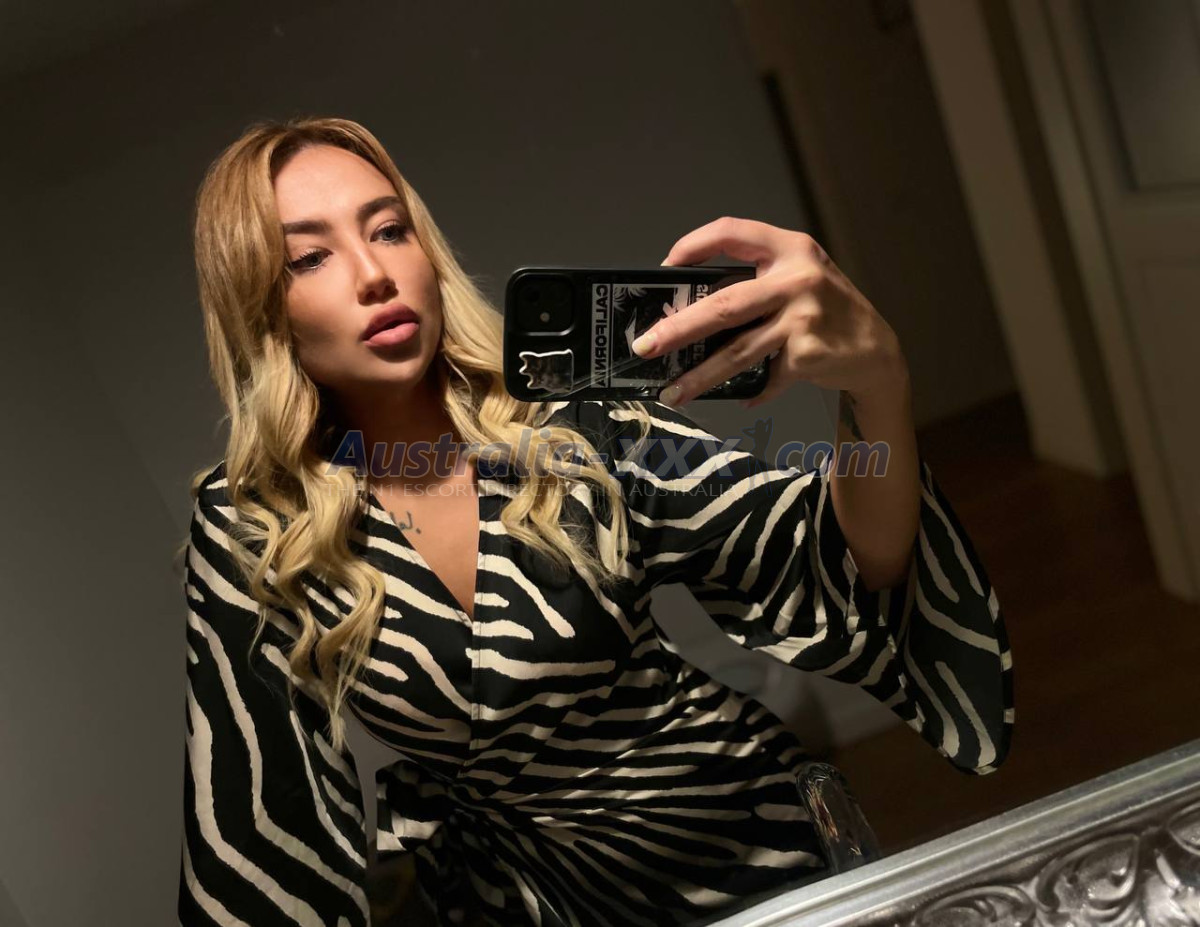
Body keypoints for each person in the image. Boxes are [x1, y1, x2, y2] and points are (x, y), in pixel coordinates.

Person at [176, 116, 1013, 927]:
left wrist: (878, 382)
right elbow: (259, 840)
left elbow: (849, 560)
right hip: (532, 900)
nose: (372, 273)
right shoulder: (255, 524)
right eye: (310, 257)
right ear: (262, 307)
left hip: (750, 849)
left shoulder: (572, 424)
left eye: (390, 230)